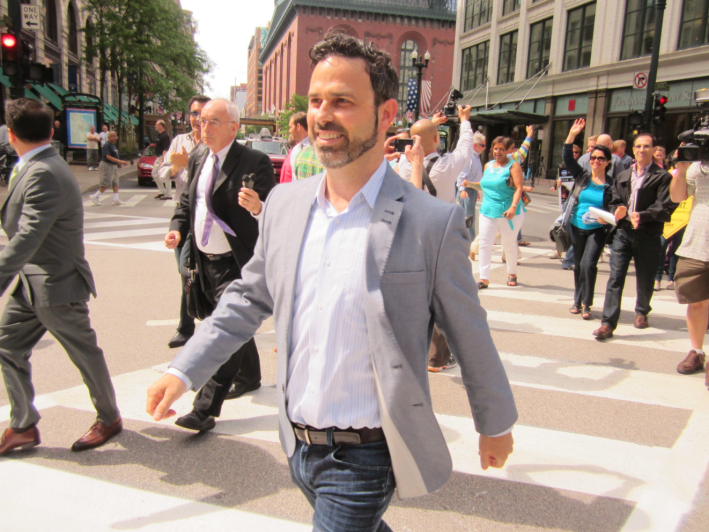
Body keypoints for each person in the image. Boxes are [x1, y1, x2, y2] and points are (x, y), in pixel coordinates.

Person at [147, 33, 517, 531]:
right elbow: (247, 297)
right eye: (317, 100)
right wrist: (184, 370)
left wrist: (493, 423)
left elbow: (469, 331)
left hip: (365, 456)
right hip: (296, 443)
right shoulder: (285, 205)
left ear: (386, 114)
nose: (323, 113)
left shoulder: (433, 222)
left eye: (342, 101)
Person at [0, 99, 122, 457]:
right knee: (7, 345)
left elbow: (27, 236)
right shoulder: (33, 165)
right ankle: (22, 424)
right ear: (52, 131)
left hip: (56, 284)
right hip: (30, 283)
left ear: (11, 135)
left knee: (84, 354)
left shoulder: (44, 172)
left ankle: (109, 417)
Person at [162, 98, 276, 431]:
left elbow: (273, 211)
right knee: (228, 321)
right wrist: (176, 228)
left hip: (237, 262)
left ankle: (204, 409)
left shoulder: (255, 162)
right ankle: (251, 376)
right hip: (202, 260)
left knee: (223, 329)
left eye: (212, 122)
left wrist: (258, 206)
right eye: (200, 120)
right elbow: (188, 201)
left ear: (233, 128)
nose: (203, 127)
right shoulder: (199, 156)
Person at [593, 133, 677, 340]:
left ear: (653, 149)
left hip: (648, 234)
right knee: (615, 277)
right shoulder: (623, 175)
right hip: (624, 233)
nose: (642, 150)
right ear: (633, 149)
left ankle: (642, 311)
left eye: (646, 146)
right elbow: (614, 200)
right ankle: (608, 323)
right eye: (638, 146)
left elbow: (665, 207)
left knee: (646, 276)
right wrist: (617, 210)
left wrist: (643, 215)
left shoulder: (663, 176)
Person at [156, 94, 211, 348]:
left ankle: (212, 324)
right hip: (183, 214)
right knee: (185, 273)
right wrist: (177, 167)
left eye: (200, 113)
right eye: (193, 113)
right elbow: (162, 173)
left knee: (205, 274)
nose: (196, 118)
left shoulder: (214, 141)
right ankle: (186, 327)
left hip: (209, 218)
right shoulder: (180, 141)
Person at [562, 119, 613, 320]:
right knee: (578, 264)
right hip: (577, 226)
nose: (596, 161)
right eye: (593, 157)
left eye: (601, 158)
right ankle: (577, 299)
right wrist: (572, 135)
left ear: (608, 162)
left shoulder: (612, 184)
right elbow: (567, 158)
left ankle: (587, 304)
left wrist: (607, 220)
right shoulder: (582, 176)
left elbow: (616, 207)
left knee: (588, 264)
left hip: (597, 230)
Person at [670, 161, 709, 385]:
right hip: (697, 243)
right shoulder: (699, 165)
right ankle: (697, 351)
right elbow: (677, 197)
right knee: (696, 302)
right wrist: (682, 168)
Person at [476, 137, 525, 289]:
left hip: (508, 211)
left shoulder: (513, 166)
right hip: (487, 210)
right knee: (484, 243)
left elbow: (519, 188)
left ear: (508, 151)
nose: (497, 152)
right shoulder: (488, 165)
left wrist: (513, 207)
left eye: (501, 149)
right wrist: (468, 185)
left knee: (508, 243)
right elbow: (486, 185)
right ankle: (484, 278)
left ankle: (512, 273)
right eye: (495, 148)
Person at [456, 131, 486, 241]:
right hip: (467, 190)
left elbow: (474, 176)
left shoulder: (476, 157)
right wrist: (462, 190)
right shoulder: (469, 158)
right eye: (482, 145)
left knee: (468, 217)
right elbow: (461, 175)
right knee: (468, 218)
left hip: (471, 189)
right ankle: (470, 242)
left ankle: (467, 240)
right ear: (475, 145)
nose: (484, 148)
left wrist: (476, 189)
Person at [88, 131, 130, 206]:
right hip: (107, 165)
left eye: (115, 136)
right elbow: (108, 157)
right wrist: (120, 161)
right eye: (112, 136)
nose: (114, 137)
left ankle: (115, 199)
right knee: (106, 183)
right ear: (109, 137)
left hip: (113, 166)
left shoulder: (112, 145)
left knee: (115, 182)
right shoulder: (107, 145)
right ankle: (95, 196)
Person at [280, 112, 309, 184]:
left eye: (290, 127)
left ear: (298, 127)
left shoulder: (317, 148)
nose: (289, 131)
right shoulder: (295, 150)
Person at [153, 120, 172, 199]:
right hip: (158, 157)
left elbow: (166, 148)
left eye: (156, 124)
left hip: (162, 157)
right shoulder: (159, 135)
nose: (155, 126)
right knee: (155, 174)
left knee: (165, 174)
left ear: (161, 126)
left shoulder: (165, 136)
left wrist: (163, 159)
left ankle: (168, 194)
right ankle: (162, 191)